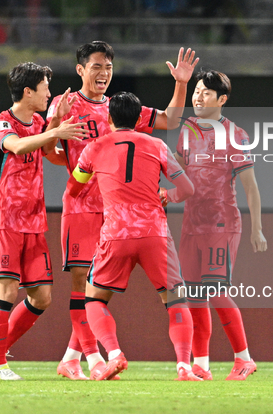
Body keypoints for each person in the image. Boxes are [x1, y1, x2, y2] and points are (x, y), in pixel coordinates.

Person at [45, 41, 199, 380]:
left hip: (116, 215)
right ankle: (93, 359)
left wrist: (181, 83)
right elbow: (50, 151)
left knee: (95, 294)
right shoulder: (63, 104)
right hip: (85, 208)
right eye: (97, 66)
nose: (104, 73)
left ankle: (77, 358)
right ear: (81, 70)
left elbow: (171, 119)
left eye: (108, 67)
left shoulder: (119, 106)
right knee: (84, 284)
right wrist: (54, 125)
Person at [0, 62, 88, 380]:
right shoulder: (1, 122)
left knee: (42, 296)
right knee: (7, 290)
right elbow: (18, 145)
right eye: (44, 88)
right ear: (28, 92)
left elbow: (45, 144)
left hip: (34, 222)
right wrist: (55, 129)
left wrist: (55, 120)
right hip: (5, 221)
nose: (48, 93)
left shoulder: (40, 121)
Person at [173, 69, 267, 381]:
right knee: (195, 295)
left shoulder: (235, 134)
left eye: (205, 93)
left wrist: (257, 229)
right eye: (196, 91)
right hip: (191, 225)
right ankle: (201, 363)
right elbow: (178, 170)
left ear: (222, 99)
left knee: (216, 290)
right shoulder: (187, 129)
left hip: (221, 224)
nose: (198, 97)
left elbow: (251, 187)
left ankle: (244, 358)